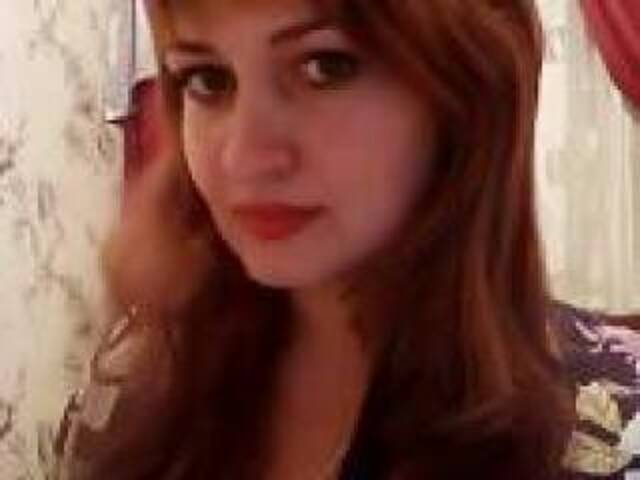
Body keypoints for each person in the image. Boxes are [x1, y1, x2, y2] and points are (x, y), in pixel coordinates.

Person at [54, 0, 640, 479]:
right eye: (207, 79)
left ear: (466, 92)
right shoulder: (137, 374)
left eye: (325, 67)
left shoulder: (618, 432)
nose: (244, 157)